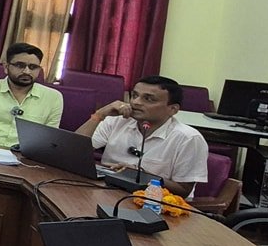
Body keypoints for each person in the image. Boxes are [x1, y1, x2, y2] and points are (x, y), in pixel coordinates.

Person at [77, 75, 208, 198]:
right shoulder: (117, 120)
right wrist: (99, 115)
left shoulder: (188, 138)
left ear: (173, 109)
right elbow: (73, 151)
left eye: (148, 99)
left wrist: (140, 175)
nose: (136, 102)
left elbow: (183, 190)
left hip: (155, 202)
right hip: (108, 191)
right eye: (134, 95)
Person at [0, 41, 64, 149]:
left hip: (24, 156)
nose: (27, 71)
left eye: (33, 67)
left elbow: (50, 139)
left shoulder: (53, 98)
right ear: (6, 67)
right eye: (20, 65)